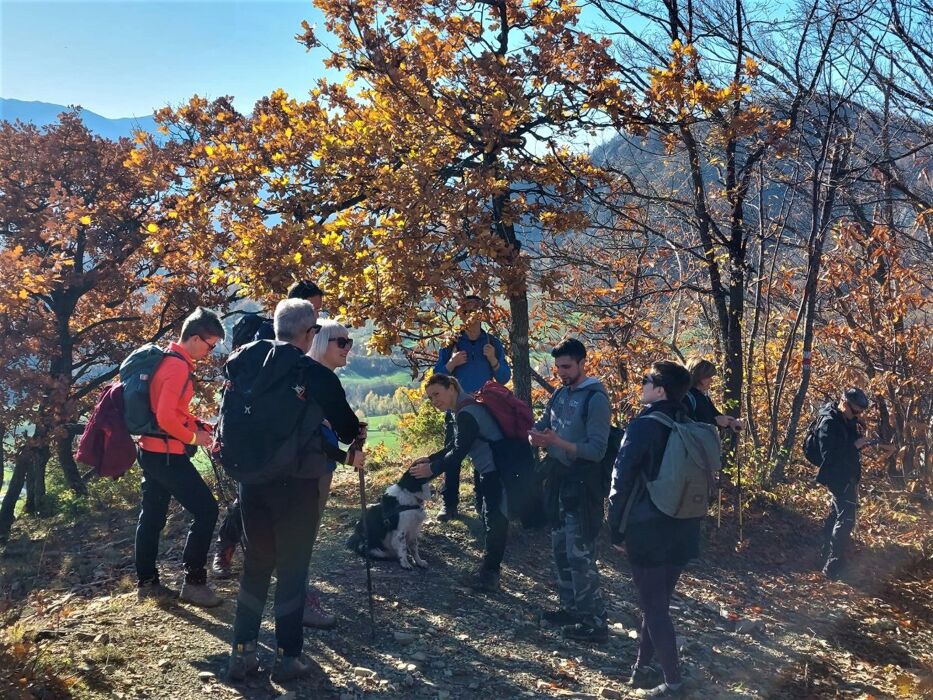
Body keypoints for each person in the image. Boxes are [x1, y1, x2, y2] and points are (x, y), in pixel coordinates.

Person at [227, 299, 366, 682]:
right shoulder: (314, 374)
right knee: (292, 570)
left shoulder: (245, 363)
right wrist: (356, 437)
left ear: (275, 327)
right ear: (310, 334)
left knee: (255, 567)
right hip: (298, 484)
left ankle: (242, 653)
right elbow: (346, 428)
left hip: (252, 481)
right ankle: (289, 658)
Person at [213, 279, 327, 576]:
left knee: (256, 491)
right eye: (314, 308)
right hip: (267, 430)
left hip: (277, 430)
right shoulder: (271, 337)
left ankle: (256, 559)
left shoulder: (294, 336)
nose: (317, 316)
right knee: (255, 489)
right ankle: (234, 552)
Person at [606, 360, 698, 697]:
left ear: (659, 390)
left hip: (648, 528)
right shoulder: (687, 421)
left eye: (647, 380)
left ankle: (674, 683)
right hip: (685, 527)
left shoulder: (644, 426)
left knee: (655, 606)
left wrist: (615, 528)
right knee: (657, 601)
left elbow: (622, 476)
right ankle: (642, 668)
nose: (642, 384)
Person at [134, 307, 225, 607]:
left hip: (150, 450)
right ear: (196, 339)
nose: (210, 352)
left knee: (152, 516)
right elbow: (164, 416)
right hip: (167, 455)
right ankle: (194, 583)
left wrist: (195, 422)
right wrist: (192, 437)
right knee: (207, 510)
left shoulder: (167, 360)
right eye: (210, 345)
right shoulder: (177, 368)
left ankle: (147, 582)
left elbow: (171, 410)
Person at [528, 338, 610, 643]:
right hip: (558, 481)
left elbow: (597, 450)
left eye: (566, 366)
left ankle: (594, 620)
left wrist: (557, 443)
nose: (560, 372)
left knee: (580, 553)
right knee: (560, 548)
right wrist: (534, 437)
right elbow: (542, 425)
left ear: (581, 363)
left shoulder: (596, 398)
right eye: (557, 367)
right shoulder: (560, 394)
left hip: (582, 483)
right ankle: (571, 607)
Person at [409, 374, 509, 592]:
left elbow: (458, 453)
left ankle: (489, 576)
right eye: (430, 398)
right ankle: (488, 571)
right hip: (491, 469)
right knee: (489, 517)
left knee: (495, 519)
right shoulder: (462, 409)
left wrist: (432, 469)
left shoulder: (466, 413)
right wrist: (431, 459)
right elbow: (454, 447)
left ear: (452, 387)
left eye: (437, 394)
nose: (435, 401)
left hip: (495, 471)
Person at [432, 294, 511, 521]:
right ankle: (449, 504)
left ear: (482, 314)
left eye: (474, 311)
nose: (470, 316)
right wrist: (452, 362)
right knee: (452, 454)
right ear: (460, 314)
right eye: (465, 311)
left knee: (483, 457)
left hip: (485, 410)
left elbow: (504, 377)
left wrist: (493, 360)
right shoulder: (451, 343)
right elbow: (437, 377)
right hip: (456, 410)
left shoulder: (492, 343)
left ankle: (482, 503)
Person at [301, 319, 357, 629]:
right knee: (305, 534)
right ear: (321, 342)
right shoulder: (322, 377)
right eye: (341, 342)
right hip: (314, 465)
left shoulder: (298, 371)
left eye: (349, 342)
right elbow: (348, 430)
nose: (347, 348)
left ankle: (294, 594)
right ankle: (302, 600)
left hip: (294, 464)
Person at [813, 387, 892, 579]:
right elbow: (829, 456)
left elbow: (846, 442)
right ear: (844, 403)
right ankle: (833, 567)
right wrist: (853, 446)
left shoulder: (845, 419)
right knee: (846, 519)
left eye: (860, 412)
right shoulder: (829, 422)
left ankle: (824, 554)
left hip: (847, 474)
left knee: (836, 514)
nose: (858, 415)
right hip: (837, 477)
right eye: (856, 411)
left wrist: (863, 441)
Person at [684, 359, 744, 432]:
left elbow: (716, 416)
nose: (711, 381)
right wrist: (715, 421)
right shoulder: (685, 397)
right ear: (700, 377)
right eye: (709, 377)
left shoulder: (704, 397)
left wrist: (732, 422)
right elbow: (687, 424)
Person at [254, 280, 325, 341]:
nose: (317, 316)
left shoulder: (308, 337)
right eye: (313, 310)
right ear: (295, 307)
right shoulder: (268, 334)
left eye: (318, 311)